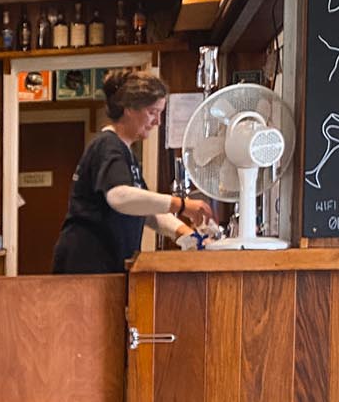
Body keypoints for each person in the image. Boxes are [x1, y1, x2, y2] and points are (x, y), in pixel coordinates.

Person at [51, 67, 217, 274]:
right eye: (152, 112)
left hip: (107, 263)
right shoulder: (107, 146)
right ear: (129, 108)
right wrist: (182, 205)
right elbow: (119, 197)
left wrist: (186, 235)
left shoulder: (125, 153)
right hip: (87, 265)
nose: (157, 121)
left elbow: (146, 209)